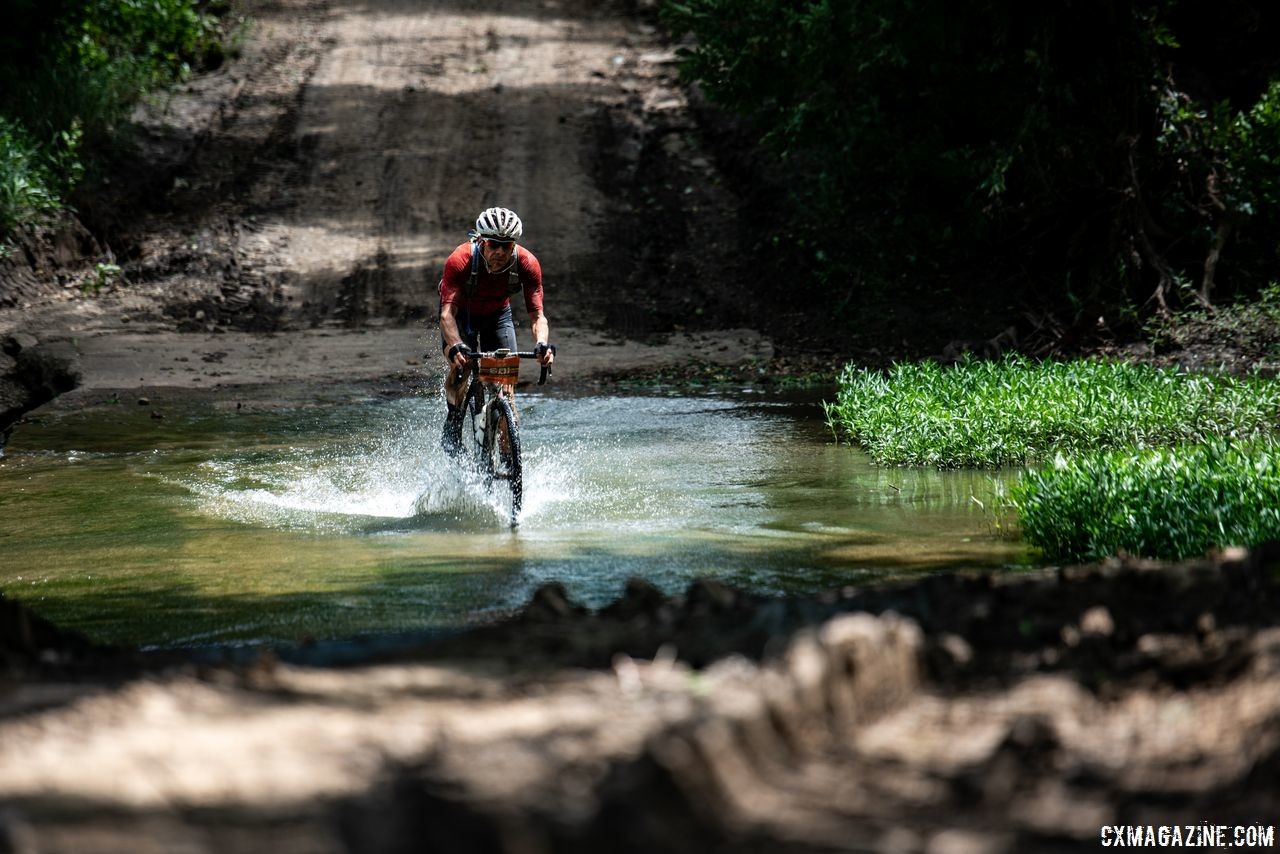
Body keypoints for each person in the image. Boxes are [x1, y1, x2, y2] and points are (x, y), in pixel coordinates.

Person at [438, 206, 553, 452]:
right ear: (481, 241)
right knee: (463, 365)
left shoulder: (527, 263)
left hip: (498, 317)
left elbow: (538, 316)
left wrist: (542, 344)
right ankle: (454, 418)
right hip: (462, 317)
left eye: (507, 245)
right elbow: (447, 314)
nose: (500, 251)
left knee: (506, 395)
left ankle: (507, 461)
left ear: (514, 246)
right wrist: (456, 345)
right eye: (493, 244)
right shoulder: (460, 259)